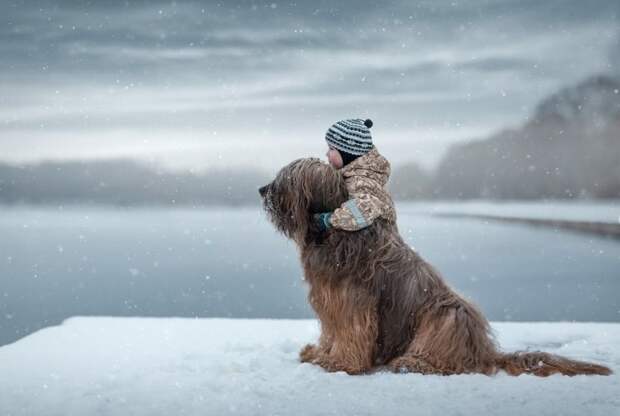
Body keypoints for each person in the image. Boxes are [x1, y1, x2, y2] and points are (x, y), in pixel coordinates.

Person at [314, 118, 397, 232]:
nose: (326, 153)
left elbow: (362, 213)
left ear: (347, 154)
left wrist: (328, 220)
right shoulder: (358, 176)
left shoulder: (359, 181)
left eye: (331, 149)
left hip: (374, 243)